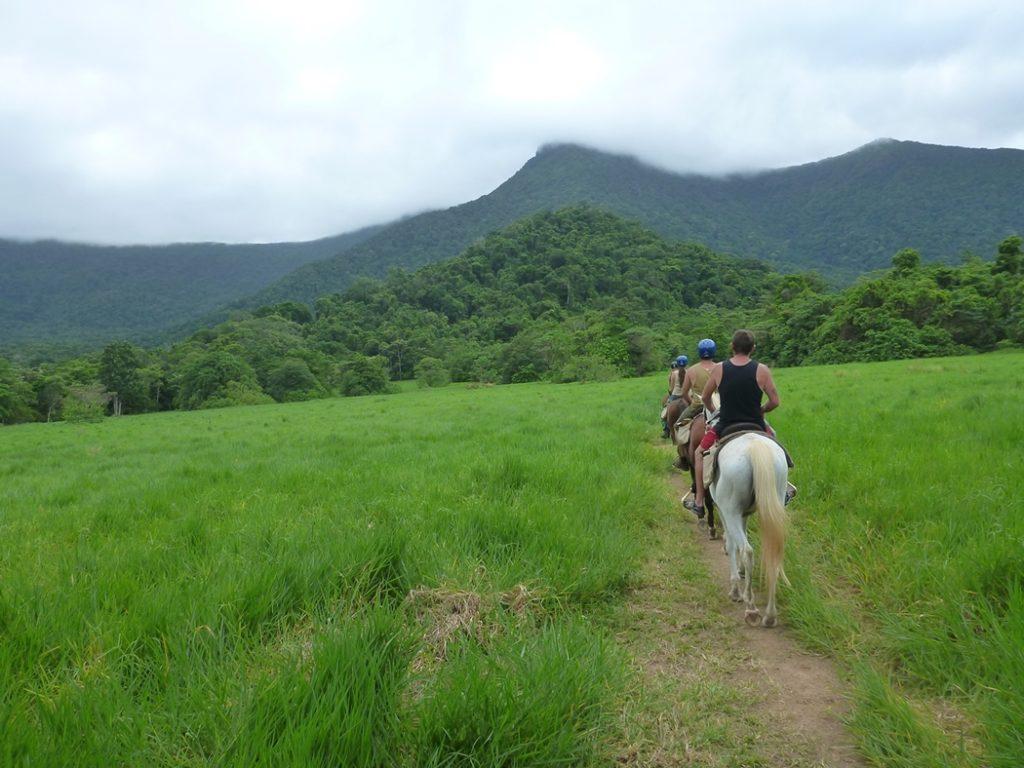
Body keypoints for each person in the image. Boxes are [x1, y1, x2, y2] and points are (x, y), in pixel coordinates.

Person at [690, 329, 780, 518]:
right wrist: (761, 410)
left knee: (699, 453)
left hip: (725, 424)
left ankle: (699, 501)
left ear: (732, 347)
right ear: (753, 348)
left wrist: (714, 412)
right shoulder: (762, 370)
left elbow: (706, 396)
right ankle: (784, 488)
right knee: (776, 445)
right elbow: (775, 402)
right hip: (757, 424)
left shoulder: (720, 369)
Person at [661, 355, 688, 437]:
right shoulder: (689, 372)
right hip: (686, 396)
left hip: (675, 396)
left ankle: (666, 430)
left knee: (665, 412)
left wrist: (670, 393)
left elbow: (672, 388)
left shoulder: (673, 373)